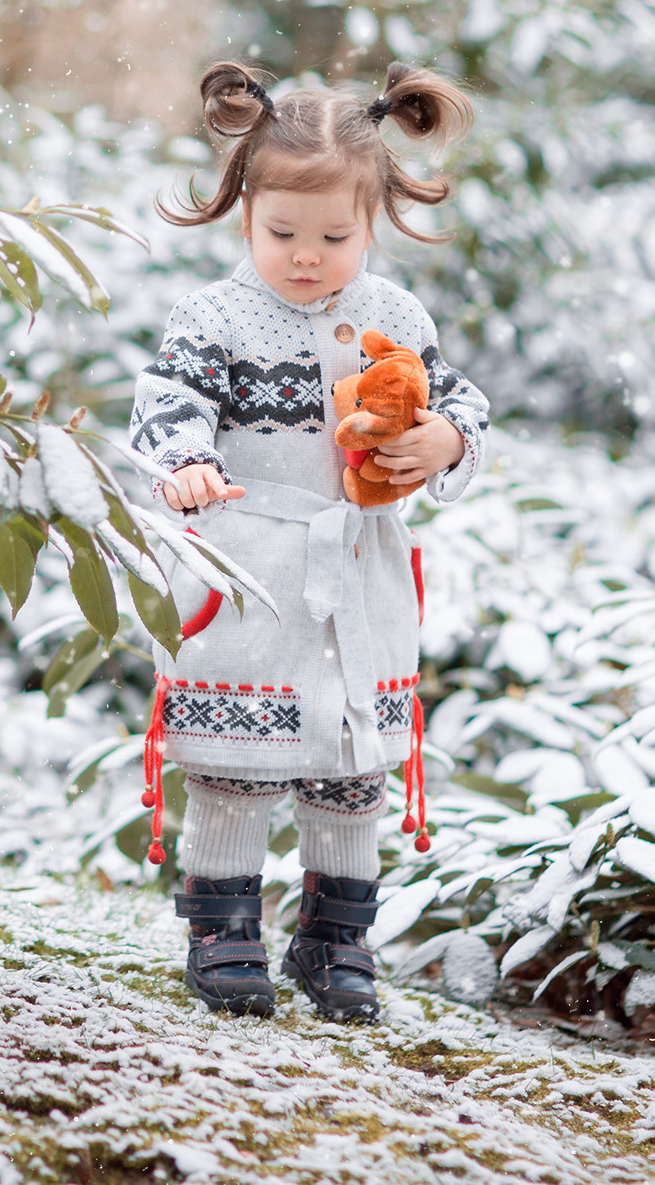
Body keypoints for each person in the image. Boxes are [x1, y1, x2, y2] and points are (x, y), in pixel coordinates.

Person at [129, 59, 490, 1022]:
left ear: (374, 223)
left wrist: (443, 440)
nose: (306, 255)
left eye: (335, 236)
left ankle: (335, 942)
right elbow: (166, 404)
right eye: (282, 232)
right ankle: (223, 931)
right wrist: (185, 461)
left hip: (361, 563)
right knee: (238, 764)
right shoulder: (214, 318)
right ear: (243, 210)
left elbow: (461, 405)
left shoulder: (394, 317)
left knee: (349, 764)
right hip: (248, 563)